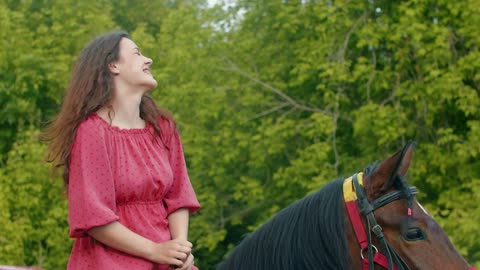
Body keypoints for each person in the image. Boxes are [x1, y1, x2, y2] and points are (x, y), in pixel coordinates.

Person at [43, 31, 200, 270]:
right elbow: (93, 217)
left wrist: (179, 249)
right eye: (137, 53)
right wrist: (154, 250)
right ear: (113, 65)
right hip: (108, 263)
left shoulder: (163, 128)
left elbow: (179, 197)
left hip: (166, 261)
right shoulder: (92, 132)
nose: (148, 60)